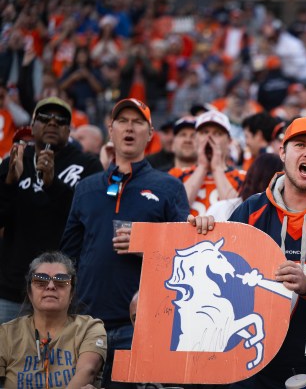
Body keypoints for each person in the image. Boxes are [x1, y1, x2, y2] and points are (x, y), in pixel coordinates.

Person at [190, 116, 306, 388]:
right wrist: (200, 234)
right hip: (250, 357)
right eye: (300, 145)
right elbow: (222, 280)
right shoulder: (251, 209)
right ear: (282, 152)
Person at [61, 98, 190, 388]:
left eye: (138, 122)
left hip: (141, 326)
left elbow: (186, 256)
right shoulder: (87, 188)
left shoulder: (168, 186)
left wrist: (149, 245)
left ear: (150, 133)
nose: (129, 128)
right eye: (123, 121)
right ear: (111, 129)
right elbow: (67, 257)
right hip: (85, 323)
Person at [0, 97, 102, 324]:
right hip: (11, 287)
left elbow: (88, 220)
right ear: (32, 125)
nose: (52, 123)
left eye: (61, 120)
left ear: (69, 130)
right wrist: (7, 183)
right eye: (45, 118)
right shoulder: (14, 162)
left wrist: (52, 185)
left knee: (55, 360)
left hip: (61, 289)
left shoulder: (89, 165)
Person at [0, 252, 107, 388]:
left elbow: (88, 371)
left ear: (72, 293)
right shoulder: (7, 333)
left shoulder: (89, 328)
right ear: (29, 292)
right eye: (40, 280)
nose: (50, 286)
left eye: (61, 280)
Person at [172, 109, 245, 217]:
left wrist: (217, 169)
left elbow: (238, 215)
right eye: (204, 132)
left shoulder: (243, 177)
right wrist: (202, 167)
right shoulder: (176, 175)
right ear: (195, 139)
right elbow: (174, 209)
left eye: (217, 134)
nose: (209, 138)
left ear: (229, 141)